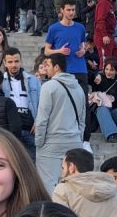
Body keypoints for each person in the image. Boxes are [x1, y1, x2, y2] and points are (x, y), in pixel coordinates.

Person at [33, 52, 86, 193]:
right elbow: (82, 120)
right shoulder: (79, 88)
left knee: (48, 184)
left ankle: (53, 214)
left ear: (56, 67)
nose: (46, 68)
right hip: (74, 140)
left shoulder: (49, 87)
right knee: (72, 185)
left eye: (48, 65)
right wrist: (78, 139)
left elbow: (42, 118)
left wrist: (39, 142)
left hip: (51, 142)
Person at [43, 1, 88, 92]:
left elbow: (82, 45)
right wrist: (59, 51)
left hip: (80, 69)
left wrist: (83, 50)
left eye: (73, 10)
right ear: (62, 10)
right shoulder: (54, 28)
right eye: (68, 10)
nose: (71, 12)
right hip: (63, 70)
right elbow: (46, 51)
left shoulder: (80, 27)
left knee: (83, 101)